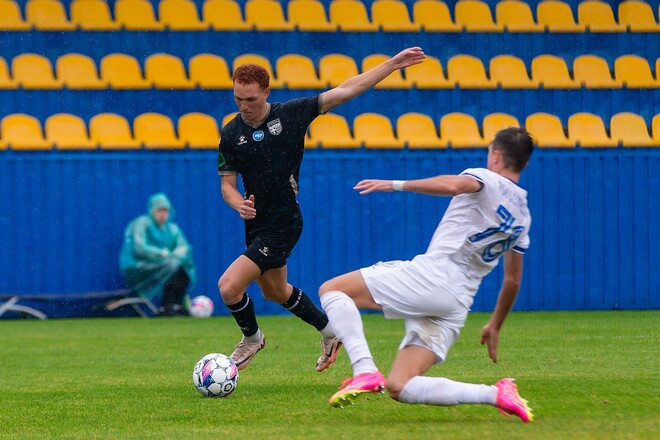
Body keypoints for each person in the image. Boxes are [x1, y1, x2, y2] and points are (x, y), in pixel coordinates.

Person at [217, 47, 426, 371]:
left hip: (284, 222)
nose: (244, 107)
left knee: (229, 286)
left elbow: (347, 89)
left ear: (266, 93)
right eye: (238, 99)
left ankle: (252, 339)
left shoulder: (291, 115)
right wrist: (237, 204)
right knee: (275, 292)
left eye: (251, 100)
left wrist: (394, 64)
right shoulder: (231, 133)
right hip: (256, 225)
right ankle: (331, 331)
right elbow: (227, 185)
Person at [318, 127, 535, 423]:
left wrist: (395, 184)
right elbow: (513, 280)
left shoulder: (485, 178)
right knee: (400, 386)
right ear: (523, 163)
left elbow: (455, 185)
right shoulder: (523, 217)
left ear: (496, 155)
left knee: (333, 290)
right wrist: (495, 325)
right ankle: (496, 394)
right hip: (458, 302)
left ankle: (364, 369)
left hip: (435, 278)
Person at [120, 193, 196, 316]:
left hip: (166, 265)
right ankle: (167, 305)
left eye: (165, 211)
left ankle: (175, 305)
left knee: (182, 265)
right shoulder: (141, 223)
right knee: (173, 265)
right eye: (159, 211)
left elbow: (184, 247)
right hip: (138, 268)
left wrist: (179, 252)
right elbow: (139, 248)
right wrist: (161, 254)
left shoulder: (172, 228)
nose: (162, 214)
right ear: (152, 210)